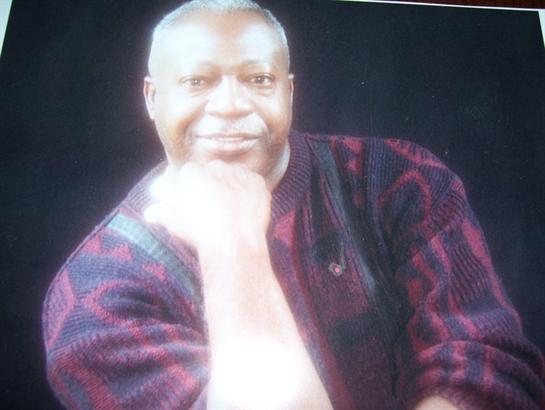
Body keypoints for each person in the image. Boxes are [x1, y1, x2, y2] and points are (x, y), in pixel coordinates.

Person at [42, 1, 545, 409]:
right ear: (153, 98)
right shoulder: (95, 299)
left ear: (288, 90)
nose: (231, 105)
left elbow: (488, 369)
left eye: (258, 79)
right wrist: (232, 241)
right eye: (197, 81)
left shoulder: (399, 179)